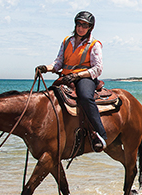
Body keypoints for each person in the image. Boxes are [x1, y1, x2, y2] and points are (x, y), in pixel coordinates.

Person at [35, 10, 107, 152]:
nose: (81, 28)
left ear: (90, 28)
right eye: (79, 24)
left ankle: (100, 134)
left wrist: (78, 76)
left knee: (86, 97)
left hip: (85, 78)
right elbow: (58, 63)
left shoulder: (94, 44)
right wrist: (46, 68)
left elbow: (98, 69)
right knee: (47, 98)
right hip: (66, 77)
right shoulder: (66, 41)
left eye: (85, 25)